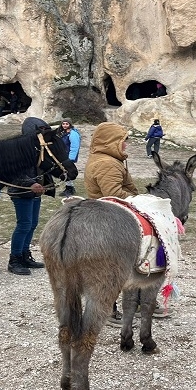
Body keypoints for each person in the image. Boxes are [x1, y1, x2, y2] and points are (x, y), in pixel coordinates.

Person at [85, 122, 139, 324]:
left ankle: (135, 301)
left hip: (111, 217)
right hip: (113, 219)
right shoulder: (107, 164)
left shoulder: (109, 160)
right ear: (112, 142)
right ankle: (106, 308)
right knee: (114, 267)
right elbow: (114, 194)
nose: (126, 145)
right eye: (123, 141)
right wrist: (141, 200)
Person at [6, 117, 57, 275]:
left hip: (36, 191)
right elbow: (14, 173)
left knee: (32, 223)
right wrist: (30, 184)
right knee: (24, 224)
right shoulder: (17, 150)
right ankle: (14, 259)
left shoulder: (38, 148)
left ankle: (24, 255)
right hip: (21, 192)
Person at [56, 118, 81, 197]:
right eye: (63, 124)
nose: (65, 125)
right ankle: (69, 187)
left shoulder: (73, 134)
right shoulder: (62, 132)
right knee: (64, 172)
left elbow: (74, 146)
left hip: (68, 157)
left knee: (68, 172)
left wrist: (70, 159)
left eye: (66, 124)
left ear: (70, 124)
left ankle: (70, 189)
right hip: (63, 156)